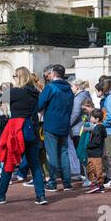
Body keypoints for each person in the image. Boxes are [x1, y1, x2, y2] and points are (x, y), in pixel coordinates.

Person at [0, 67, 48, 205]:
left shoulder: (15, 92)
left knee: (9, 163)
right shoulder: (36, 93)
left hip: (17, 130)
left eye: (15, 75)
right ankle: (41, 196)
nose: (14, 78)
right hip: (31, 129)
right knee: (35, 165)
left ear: (19, 77)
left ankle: (0, 195)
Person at [38, 64, 74, 192]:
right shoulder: (69, 88)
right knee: (64, 153)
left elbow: (40, 104)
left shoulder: (50, 87)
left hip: (51, 124)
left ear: (53, 73)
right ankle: (67, 182)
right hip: (64, 123)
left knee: (52, 154)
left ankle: (52, 182)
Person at [85, 109, 107, 194]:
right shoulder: (100, 127)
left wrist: (88, 145)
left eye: (92, 117)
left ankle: (97, 184)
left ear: (97, 119)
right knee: (94, 169)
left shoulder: (98, 128)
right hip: (95, 152)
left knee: (95, 169)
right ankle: (98, 185)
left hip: (95, 153)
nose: (90, 118)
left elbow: (96, 142)